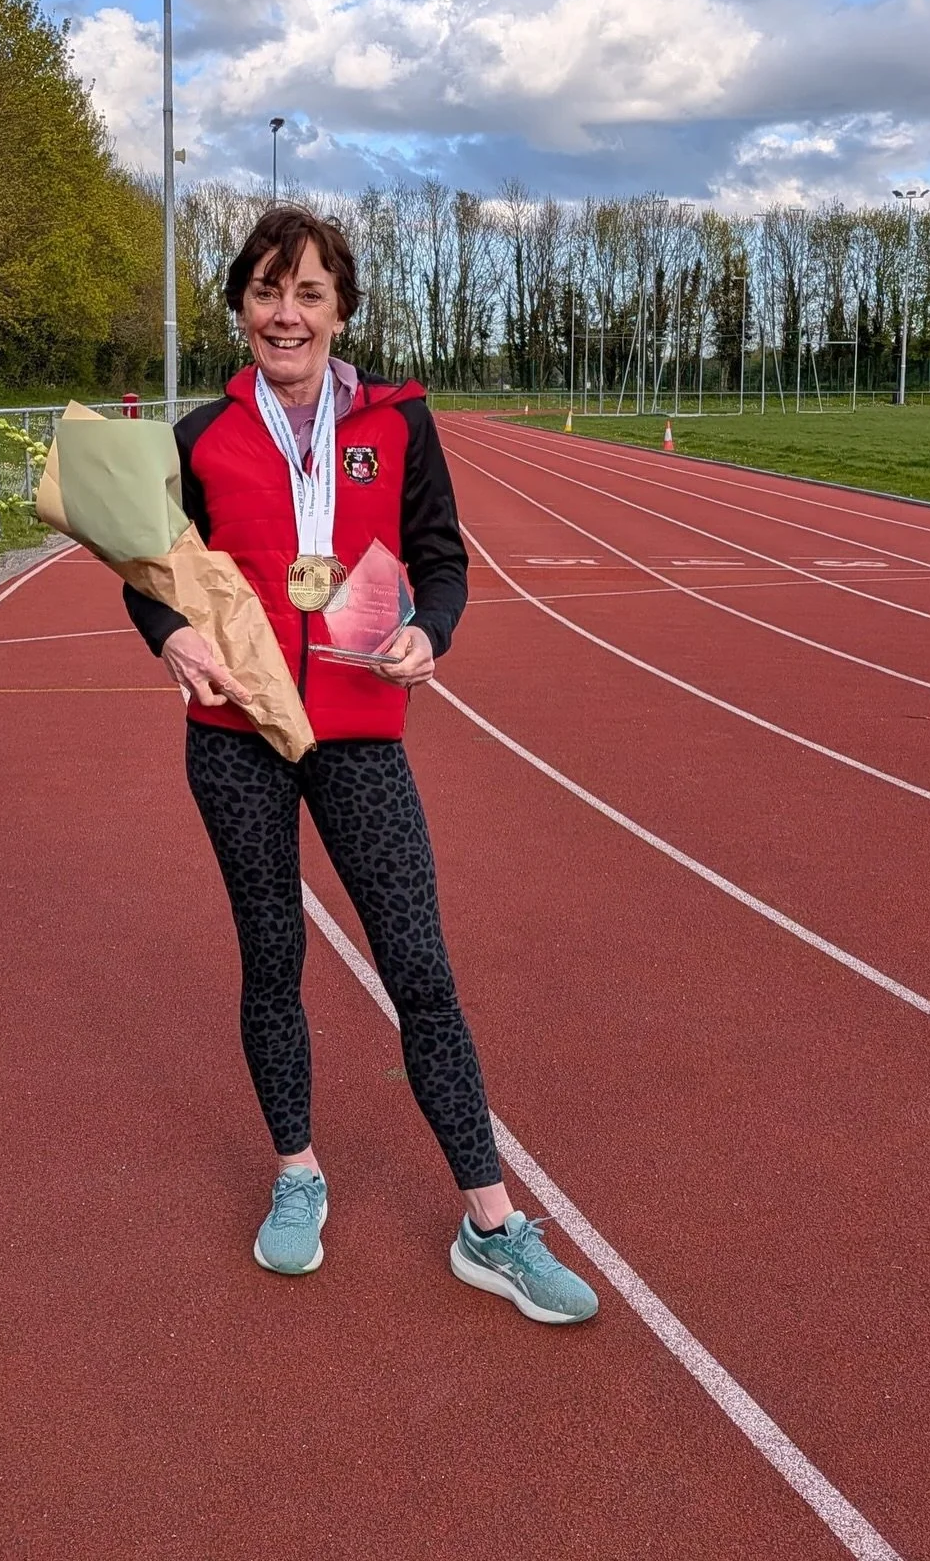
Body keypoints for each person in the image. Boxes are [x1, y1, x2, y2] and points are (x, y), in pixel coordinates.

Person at [124, 206, 597, 1326]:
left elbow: (441, 558)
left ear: (342, 311)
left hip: (360, 733)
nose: (286, 313)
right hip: (237, 740)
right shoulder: (199, 436)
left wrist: (433, 629)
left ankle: (492, 1224)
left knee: (420, 969)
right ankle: (298, 1174)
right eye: (266, 292)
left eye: (310, 294)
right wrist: (172, 637)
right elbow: (149, 572)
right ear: (240, 308)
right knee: (271, 957)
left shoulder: (398, 420)